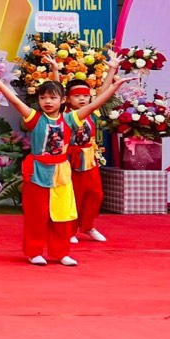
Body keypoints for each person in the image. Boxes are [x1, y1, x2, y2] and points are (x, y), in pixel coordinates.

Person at [0, 71, 127, 266]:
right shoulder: (35, 118)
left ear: (63, 100)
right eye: (43, 97)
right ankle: (34, 252)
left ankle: (61, 253)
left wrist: (114, 87)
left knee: (62, 214)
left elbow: (94, 105)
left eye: (53, 98)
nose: (47, 101)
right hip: (37, 172)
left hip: (61, 173)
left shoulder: (70, 119)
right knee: (37, 215)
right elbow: (15, 102)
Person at [65, 78, 108, 245]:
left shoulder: (91, 113)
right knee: (75, 195)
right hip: (72, 159)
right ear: (67, 98)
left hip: (89, 158)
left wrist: (112, 70)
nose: (82, 99)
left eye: (85, 95)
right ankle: (69, 230)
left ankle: (88, 226)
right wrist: (55, 71)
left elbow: (102, 94)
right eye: (77, 96)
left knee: (95, 193)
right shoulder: (65, 114)